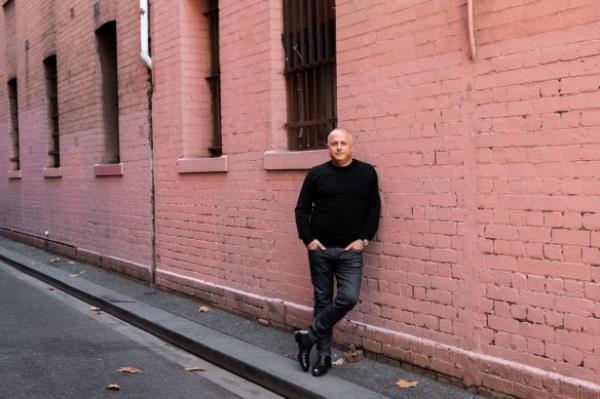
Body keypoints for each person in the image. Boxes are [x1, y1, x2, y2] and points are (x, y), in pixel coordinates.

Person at [294, 127, 381, 377]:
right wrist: (308, 240)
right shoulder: (316, 174)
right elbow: (301, 209)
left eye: (343, 143)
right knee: (322, 301)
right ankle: (323, 357)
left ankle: (308, 337)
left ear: (351, 146)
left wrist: (364, 239)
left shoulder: (366, 173)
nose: (339, 147)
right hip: (320, 250)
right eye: (334, 143)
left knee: (349, 297)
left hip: (350, 251)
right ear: (328, 146)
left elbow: (374, 207)